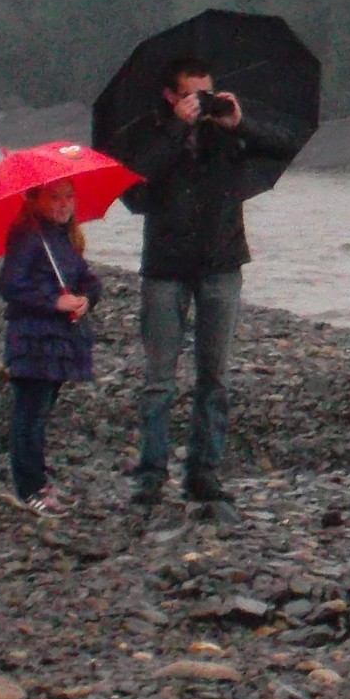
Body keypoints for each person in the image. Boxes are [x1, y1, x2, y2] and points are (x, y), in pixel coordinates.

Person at [119, 55, 298, 516]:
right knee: (159, 380)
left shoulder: (226, 134)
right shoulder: (149, 133)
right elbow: (133, 192)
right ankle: (150, 477)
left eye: (206, 93)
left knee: (214, 378)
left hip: (221, 263)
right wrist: (176, 131)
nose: (200, 103)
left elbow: (283, 148)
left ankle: (204, 474)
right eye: (191, 95)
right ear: (170, 96)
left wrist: (239, 124)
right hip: (165, 266)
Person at [0, 179, 103, 516]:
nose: (63, 204)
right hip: (32, 341)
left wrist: (85, 299)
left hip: (59, 342)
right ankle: (28, 488)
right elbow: (11, 286)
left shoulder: (64, 238)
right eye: (54, 197)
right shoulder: (28, 237)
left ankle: (39, 482)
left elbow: (87, 279)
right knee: (29, 415)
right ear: (36, 200)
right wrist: (53, 302)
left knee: (41, 414)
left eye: (69, 197)